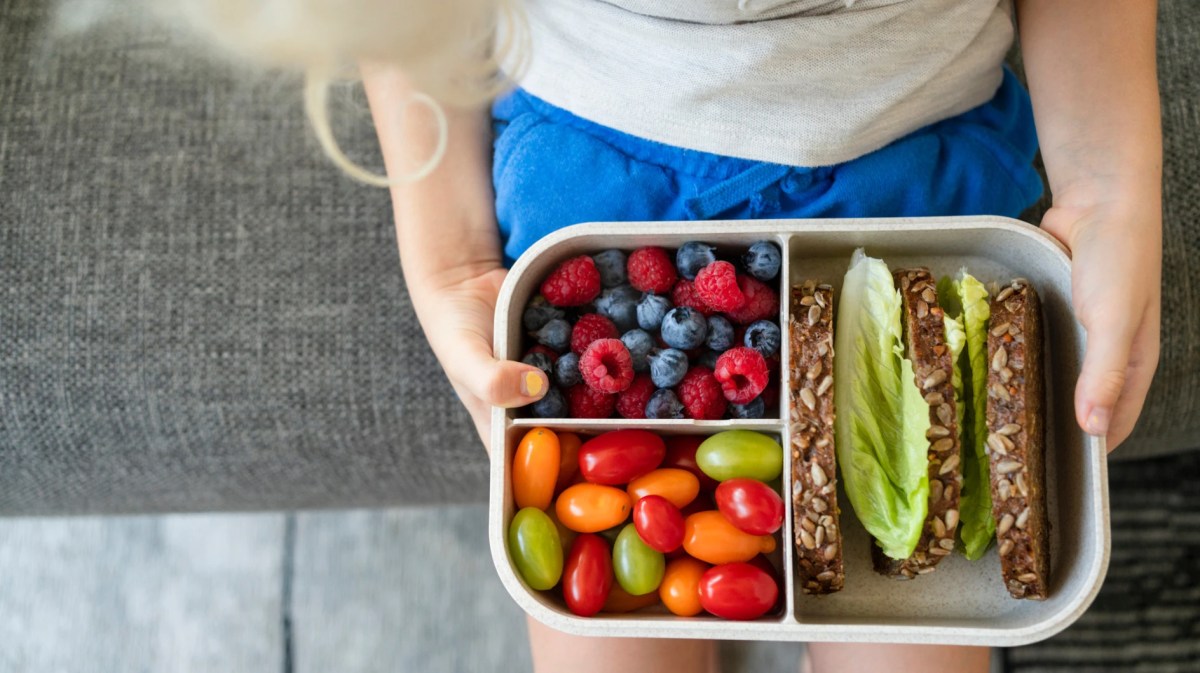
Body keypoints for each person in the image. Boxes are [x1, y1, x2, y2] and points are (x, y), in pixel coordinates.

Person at [130, 1, 1163, 671]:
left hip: (920, 155)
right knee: (605, 628)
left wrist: (1110, 182)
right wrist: (446, 252)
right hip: (596, 158)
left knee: (924, 628)